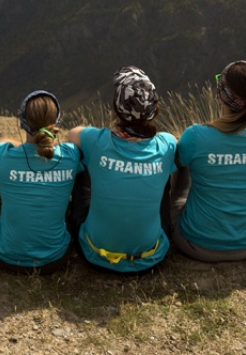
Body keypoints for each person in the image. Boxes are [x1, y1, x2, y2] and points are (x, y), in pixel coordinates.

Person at [67, 67, 176, 274]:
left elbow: (72, 134)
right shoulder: (166, 144)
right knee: (163, 178)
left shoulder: (96, 141)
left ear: (117, 109)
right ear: (154, 107)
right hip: (150, 257)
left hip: (95, 254)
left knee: (83, 160)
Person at [171, 60, 246, 262]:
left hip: (195, 243)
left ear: (221, 95)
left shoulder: (196, 136)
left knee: (183, 164)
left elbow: (175, 164)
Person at [0, 90, 82, 274]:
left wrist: (21, 147)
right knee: (78, 174)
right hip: (54, 259)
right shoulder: (70, 155)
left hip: (5, 256)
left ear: (23, 122)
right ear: (56, 123)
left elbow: (2, 142)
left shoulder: (4, 155)